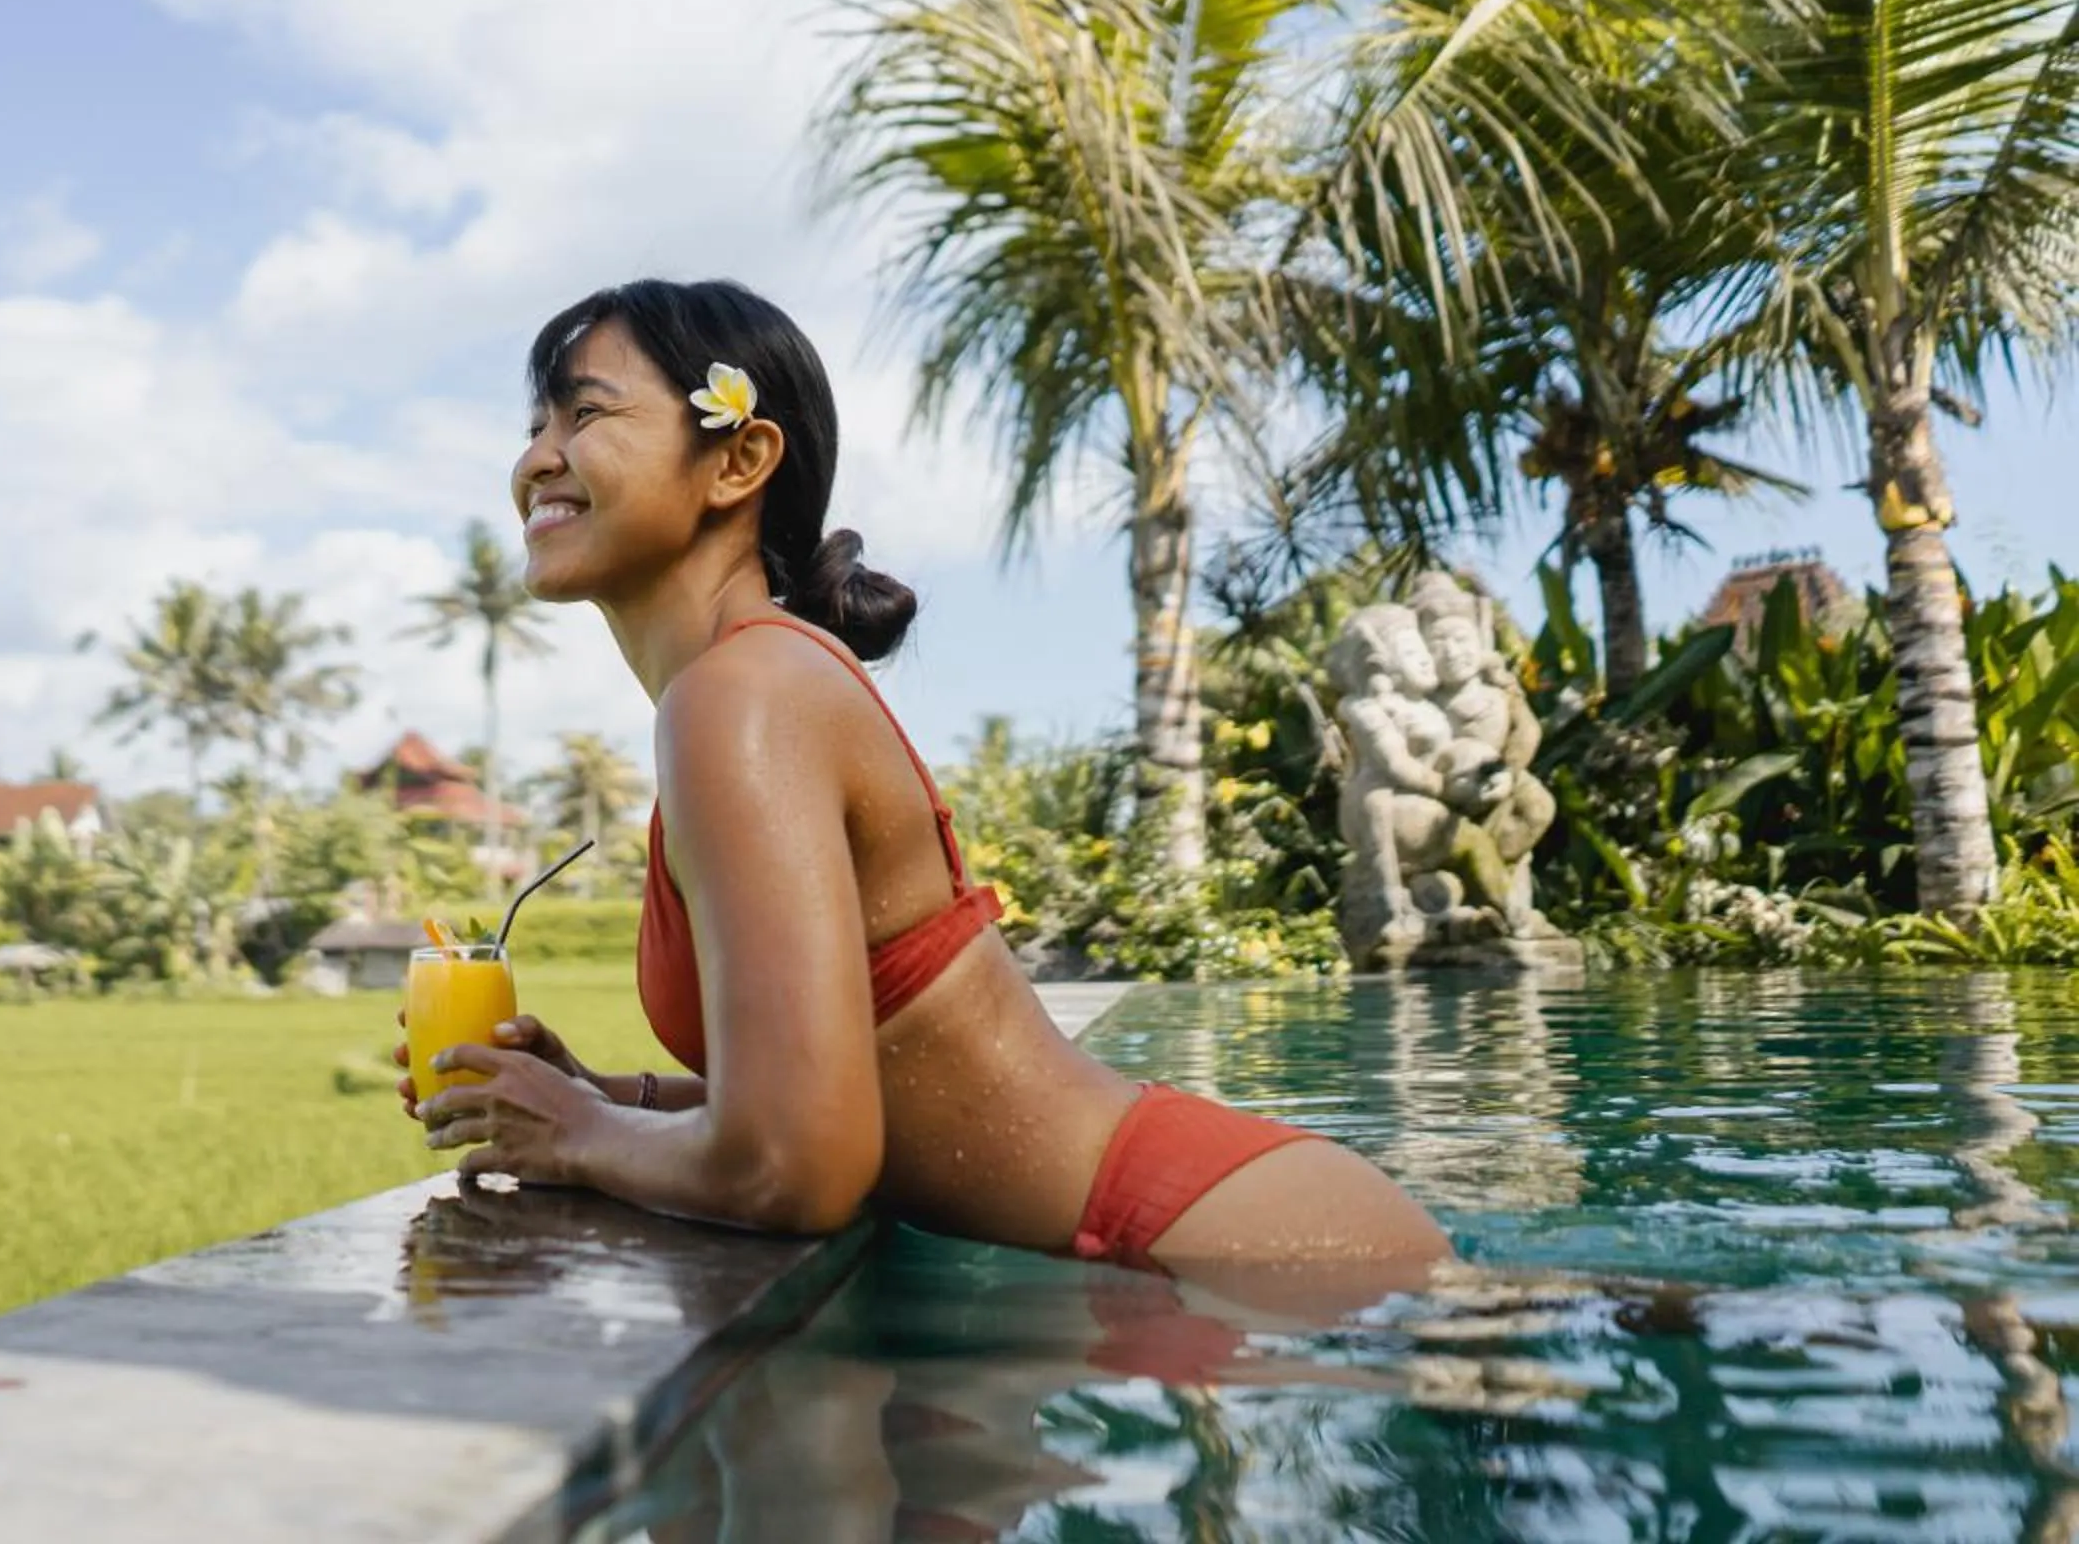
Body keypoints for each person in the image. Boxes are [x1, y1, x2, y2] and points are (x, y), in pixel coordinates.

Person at [401, 279, 1447, 1274]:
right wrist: (603, 1094)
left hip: (1236, 1245)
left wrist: (581, 1136)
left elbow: (799, 1167)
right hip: (1213, 1232)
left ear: (737, 461)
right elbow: (859, 1098)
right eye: (532, 426)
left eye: (583, 414)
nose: (535, 459)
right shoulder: (753, 683)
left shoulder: (740, 694)